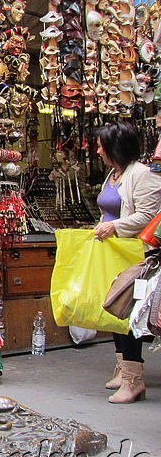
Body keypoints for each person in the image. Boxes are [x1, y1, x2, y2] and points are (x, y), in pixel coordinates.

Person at [93, 120, 161, 404]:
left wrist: (115, 227)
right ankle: (124, 368)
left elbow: (149, 215)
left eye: (100, 146)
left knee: (128, 311)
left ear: (114, 148)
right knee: (113, 308)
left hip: (135, 254)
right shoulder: (114, 174)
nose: (97, 151)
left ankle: (134, 379)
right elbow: (108, 210)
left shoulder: (143, 175)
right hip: (114, 252)